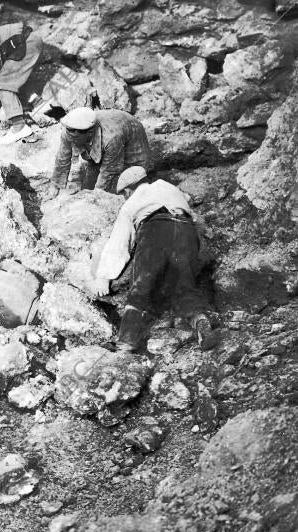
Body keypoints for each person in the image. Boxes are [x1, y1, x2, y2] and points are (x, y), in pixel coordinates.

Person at [91, 166, 219, 352]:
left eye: (124, 193)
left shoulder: (132, 202)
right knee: (184, 287)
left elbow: (119, 243)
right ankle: (200, 321)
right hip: (187, 231)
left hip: (155, 230)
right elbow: (188, 203)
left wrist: (104, 276)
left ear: (128, 190)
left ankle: (126, 341)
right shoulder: (169, 188)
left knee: (141, 286)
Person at [50, 107, 151, 196]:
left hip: (132, 136)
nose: (71, 138)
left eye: (76, 138)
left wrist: (97, 195)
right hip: (103, 139)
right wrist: (55, 186)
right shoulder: (69, 130)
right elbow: (62, 158)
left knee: (129, 184)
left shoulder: (111, 138)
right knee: (90, 182)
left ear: (89, 133)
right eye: (69, 132)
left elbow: (109, 171)